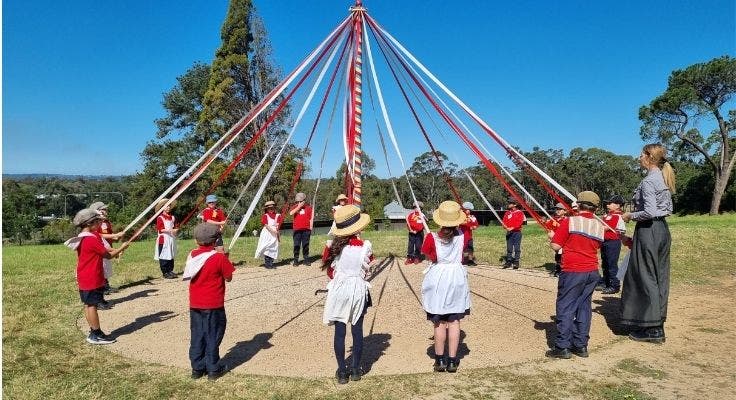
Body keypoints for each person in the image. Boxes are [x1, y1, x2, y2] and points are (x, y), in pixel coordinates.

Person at [620, 143, 675, 344]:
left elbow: (649, 212)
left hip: (649, 229)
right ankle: (656, 321)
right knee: (659, 276)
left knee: (645, 276)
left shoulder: (649, 181)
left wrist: (629, 215)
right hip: (662, 230)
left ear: (649, 157)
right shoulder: (663, 177)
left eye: (641, 154)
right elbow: (667, 208)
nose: (638, 157)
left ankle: (652, 329)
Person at [545, 191, 605, 359]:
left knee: (565, 306)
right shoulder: (599, 226)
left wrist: (552, 237)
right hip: (592, 271)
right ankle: (581, 345)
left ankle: (562, 346)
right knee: (584, 307)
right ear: (596, 208)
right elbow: (595, 246)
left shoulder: (569, 222)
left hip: (573, 270)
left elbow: (556, 246)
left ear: (578, 205)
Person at [321, 205, 374, 384]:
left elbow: (330, 272)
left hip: (339, 290)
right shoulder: (366, 247)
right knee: (357, 331)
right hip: (358, 289)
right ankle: (356, 369)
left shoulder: (332, 247)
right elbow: (367, 272)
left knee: (340, 331)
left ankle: (342, 372)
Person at [64, 208, 129, 345]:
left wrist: (116, 250)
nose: (100, 223)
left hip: (84, 276)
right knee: (92, 305)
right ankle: (96, 333)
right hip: (92, 276)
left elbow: (106, 250)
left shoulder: (85, 236)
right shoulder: (90, 239)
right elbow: (108, 255)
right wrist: (122, 247)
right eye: (98, 221)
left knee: (89, 305)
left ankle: (93, 332)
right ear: (90, 223)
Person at [421, 200, 472, 373]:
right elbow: (465, 246)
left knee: (439, 322)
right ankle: (452, 360)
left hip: (439, 278)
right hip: (456, 277)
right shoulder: (464, 233)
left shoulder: (431, 237)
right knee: (454, 320)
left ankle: (439, 360)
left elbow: (430, 256)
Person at [182, 223, 235, 381]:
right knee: (213, 334)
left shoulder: (192, 255)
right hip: (214, 305)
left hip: (195, 304)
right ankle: (213, 368)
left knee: (197, 334)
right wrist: (225, 257)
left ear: (196, 240)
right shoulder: (218, 258)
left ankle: (197, 368)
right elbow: (229, 277)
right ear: (216, 240)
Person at [89, 201, 123, 296]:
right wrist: (115, 235)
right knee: (101, 266)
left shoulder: (107, 222)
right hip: (100, 246)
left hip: (107, 245)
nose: (106, 211)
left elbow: (108, 234)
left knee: (106, 266)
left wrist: (115, 237)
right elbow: (99, 235)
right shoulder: (95, 223)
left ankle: (106, 285)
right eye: (103, 209)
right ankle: (102, 287)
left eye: (105, 209)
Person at [596, 195, 627, 294]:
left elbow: (606, 227)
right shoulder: (607, 215)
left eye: (610, 203)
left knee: (611, 264)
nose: (607, 205)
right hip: (604, 242)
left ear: (618, 205)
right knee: (605, 263)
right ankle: (606, 282)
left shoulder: (617, 216)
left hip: (613, 242)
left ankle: (615, 285)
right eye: (607, 203)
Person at [154, 198, 178, 279]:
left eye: (169, 206)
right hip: (164, 239)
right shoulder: (160, 218)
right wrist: (171, 230)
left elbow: (175, 226)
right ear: (162, 207)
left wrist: (176, 230)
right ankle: (165, 272)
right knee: (164, 255)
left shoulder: (172, 217)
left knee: (171, 254)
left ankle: (170, 270)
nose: (168, 208)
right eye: (166, 206)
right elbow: (160, 229)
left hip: (171, 238)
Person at [255, 200, 282, 269]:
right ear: (267, 209)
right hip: (267, 233)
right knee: (267, 247)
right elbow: (266, 226)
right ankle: (267, 264)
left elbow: (278, 225)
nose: (271, 209)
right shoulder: (265, 216)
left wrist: (277, 233)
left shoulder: (278, 216)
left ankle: (271, 263)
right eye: (269, 208)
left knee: (273, 248)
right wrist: (273, 231)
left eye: (272, 208)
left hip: (274, 234)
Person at [289, 192, 313, 266]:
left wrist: (311, 227)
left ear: (304, 201)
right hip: (297, 229)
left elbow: (311, 218)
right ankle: (296, 260)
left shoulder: (308, 208)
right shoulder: (294, 207)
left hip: (306, 229)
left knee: (306, 245)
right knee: (296, 245)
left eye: (301, 201)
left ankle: (306, 259)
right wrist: (298, 207)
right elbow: (291, 213)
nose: (299, 202)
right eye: (298, 201)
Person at [544, 203, 568, 277]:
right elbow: (547, 226)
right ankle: (558, 269)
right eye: (556, 209)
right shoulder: (553, 219)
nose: (557, 211)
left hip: (564, 241)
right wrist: (544, 222)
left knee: (563, 256)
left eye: (560, 209)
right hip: (556, 241)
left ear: (565, 211)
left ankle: (562, 270)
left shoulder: (566, 220)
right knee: (558, 255)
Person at [502, 198, 524, 269]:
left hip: (517, 233)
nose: (508, 204)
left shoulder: (520, 213)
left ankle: (516, 261)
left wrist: (512, 228)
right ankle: (509, 261)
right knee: (509, 248)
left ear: (515, 204)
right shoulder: (507, 213)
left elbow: (519, 223)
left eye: (510, 203)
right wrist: (505, 226)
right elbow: (504, 222)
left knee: (517, 248)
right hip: (509, 233)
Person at [459, 201, 479, 266]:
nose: (469, 211)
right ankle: (460, 260)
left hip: (469, 236)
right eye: (467, 209)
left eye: (469, 210)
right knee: (461, 248)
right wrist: (468, 223)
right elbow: (460, 223)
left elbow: (476, 224)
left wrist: (474, 227)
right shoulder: (460, 217)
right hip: (461, 235)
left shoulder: (472, 217)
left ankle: (470, 260)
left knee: (470, 248)